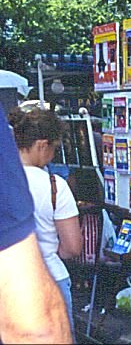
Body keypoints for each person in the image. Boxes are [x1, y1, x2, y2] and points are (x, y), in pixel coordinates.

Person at [0, 105, 72, 343]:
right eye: (54, 148)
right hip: (48, 279)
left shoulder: (8, 182)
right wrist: (52, 252)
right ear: (42, 145)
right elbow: (72, 247)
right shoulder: (55, 186)